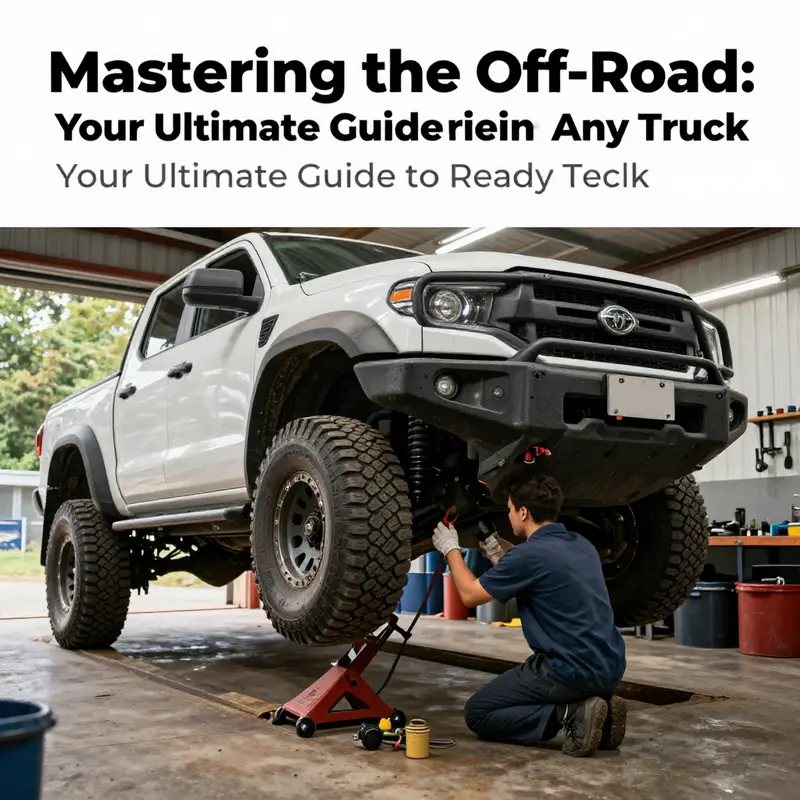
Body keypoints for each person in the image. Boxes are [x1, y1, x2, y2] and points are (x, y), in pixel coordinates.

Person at [431, 471, 627, 757]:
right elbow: (542, 573)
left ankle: (570, 714)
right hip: (611, 665)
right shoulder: (581, 545)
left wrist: (451, 549)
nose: (509, 515)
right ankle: (604, 710)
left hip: (569, 670)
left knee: (478, 713)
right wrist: (499, 553)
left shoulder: (529, 556)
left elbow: (470, 594)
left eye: (510, 509)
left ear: (523, 512)